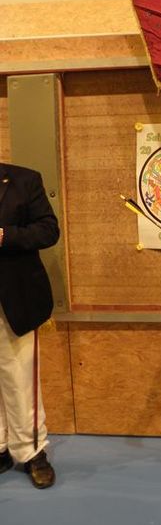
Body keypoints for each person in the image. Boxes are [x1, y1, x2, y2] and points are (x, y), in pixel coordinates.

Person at [0, 162, 60, 488]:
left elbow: (48, 230)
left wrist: (4, 235)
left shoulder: (24, 179)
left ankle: (32, 451)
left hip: (15, 298)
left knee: (21, 378)